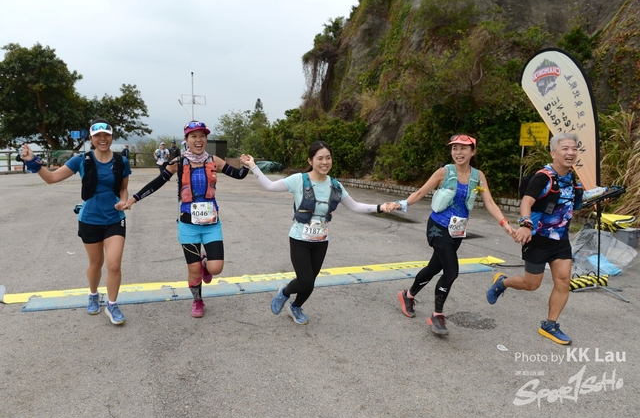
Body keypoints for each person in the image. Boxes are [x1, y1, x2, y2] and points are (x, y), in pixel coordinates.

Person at [239, 141, 395, 325]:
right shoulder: (299, 180)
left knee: (311, 281)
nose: (325, 162)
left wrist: (380, 207)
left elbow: (355, 206)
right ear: (310, 161)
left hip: (321, 241)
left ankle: (296, 307)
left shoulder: (335, 185)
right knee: (305, 280)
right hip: (299, 239)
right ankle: (285, 292)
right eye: (320, 158)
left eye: (328, 158)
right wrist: (253, 166)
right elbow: (270, 186)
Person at [390, 134, 515, 335]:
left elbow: (490, 202)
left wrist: (504, 223)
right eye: (455, 148)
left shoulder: (478, 176)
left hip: (457, 231)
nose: (458, 152)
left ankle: (408, 295)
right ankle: (437, 315)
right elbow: (421, 193)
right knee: (451, 271)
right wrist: (400, 204)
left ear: (473, 152)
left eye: (463, 148)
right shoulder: (444, 172)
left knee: (433, 268)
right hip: (437, 227)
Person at [124, 121, 249, 318]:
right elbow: (157, 182)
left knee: (216, 268)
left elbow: (239, 175)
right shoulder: (178, 162)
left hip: (211, 223)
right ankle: (197, 300)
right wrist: (134, 198)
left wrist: (247, 164)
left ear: (206, 139)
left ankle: (205, 263)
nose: (198, 140)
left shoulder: (214, 160)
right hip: (188, 224)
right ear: (186, 139)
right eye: (194, 136)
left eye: (202, 136)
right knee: (193, 268)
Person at [20, 119, 131, 325]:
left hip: (115, 219)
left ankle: (112, 305)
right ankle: (93, 294)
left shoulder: (121, 161)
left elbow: (123, 188)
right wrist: (32, 161)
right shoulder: (81, 160)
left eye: (106, 135)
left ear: (112, 137)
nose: (103, 139)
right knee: (96, 264)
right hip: (89, 219)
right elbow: (52, 178)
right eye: (97, 136)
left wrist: (123, 201)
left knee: (114, 265)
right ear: (91, 138)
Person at [486, 132, 583, 345]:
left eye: (574, 149)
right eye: (565, 148)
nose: (571, 152)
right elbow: (526, 202)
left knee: (563, 281)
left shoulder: (571, 178)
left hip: (561, 240)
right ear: (553, 153)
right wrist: (526, 224)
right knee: (531, 284)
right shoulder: (543, 177)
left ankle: (550, 325)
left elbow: (572, 204)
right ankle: (503, 282)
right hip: (537, 239)